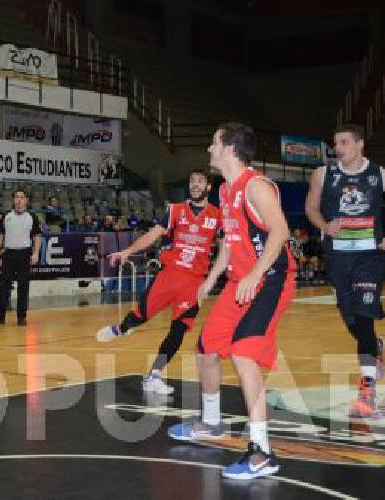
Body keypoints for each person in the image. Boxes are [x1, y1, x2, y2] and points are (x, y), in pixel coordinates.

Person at [167, 122, 296, 480]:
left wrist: (255, 274)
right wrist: (210, 278)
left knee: (243, 352)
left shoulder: (256, 186)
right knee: (207, 348)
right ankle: (211, 423)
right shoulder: (224, 191)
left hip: (270, 281)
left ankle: (261, 453)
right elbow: (230, 240)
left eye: (213, 142)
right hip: (240, 282)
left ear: (229, 148)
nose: (209, 149)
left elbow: (281, 231)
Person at [304, 123, 385, 417]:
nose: (338, 148)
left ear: (360, 144)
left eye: (344, 142)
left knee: (364, 317)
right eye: (335, 143)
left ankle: (367, 388)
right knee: (351, 319)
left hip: (370, 257)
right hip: (338, 257)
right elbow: (311, 209)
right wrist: (324, 226)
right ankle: (375, 346)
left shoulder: (382, 175)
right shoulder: (322, 174)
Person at [95, 169, 221, 395]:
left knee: (179, 330)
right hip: (170, 275)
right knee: (140, 316)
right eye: (192, 181)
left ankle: (154, 375)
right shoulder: (175, 210)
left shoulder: (217, 216)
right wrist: (128, 251)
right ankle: (121, 328)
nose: (195, 185)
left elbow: (228, 246)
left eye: (200, 181)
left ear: (208, 187)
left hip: (195, 283)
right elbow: (153, 235)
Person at [0, 189, 42, 326]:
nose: (19, 200)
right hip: (8, 254)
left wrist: (36, 253)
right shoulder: (7, 216)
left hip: (24, 254)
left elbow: (37, 237)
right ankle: (0, 317)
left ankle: (21, 317)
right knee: (4, 287)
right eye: (17, 197)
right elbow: (0, 235)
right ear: (14, 200)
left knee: (23, 287)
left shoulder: (32, 217)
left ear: (26, 200)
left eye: (22, 197)